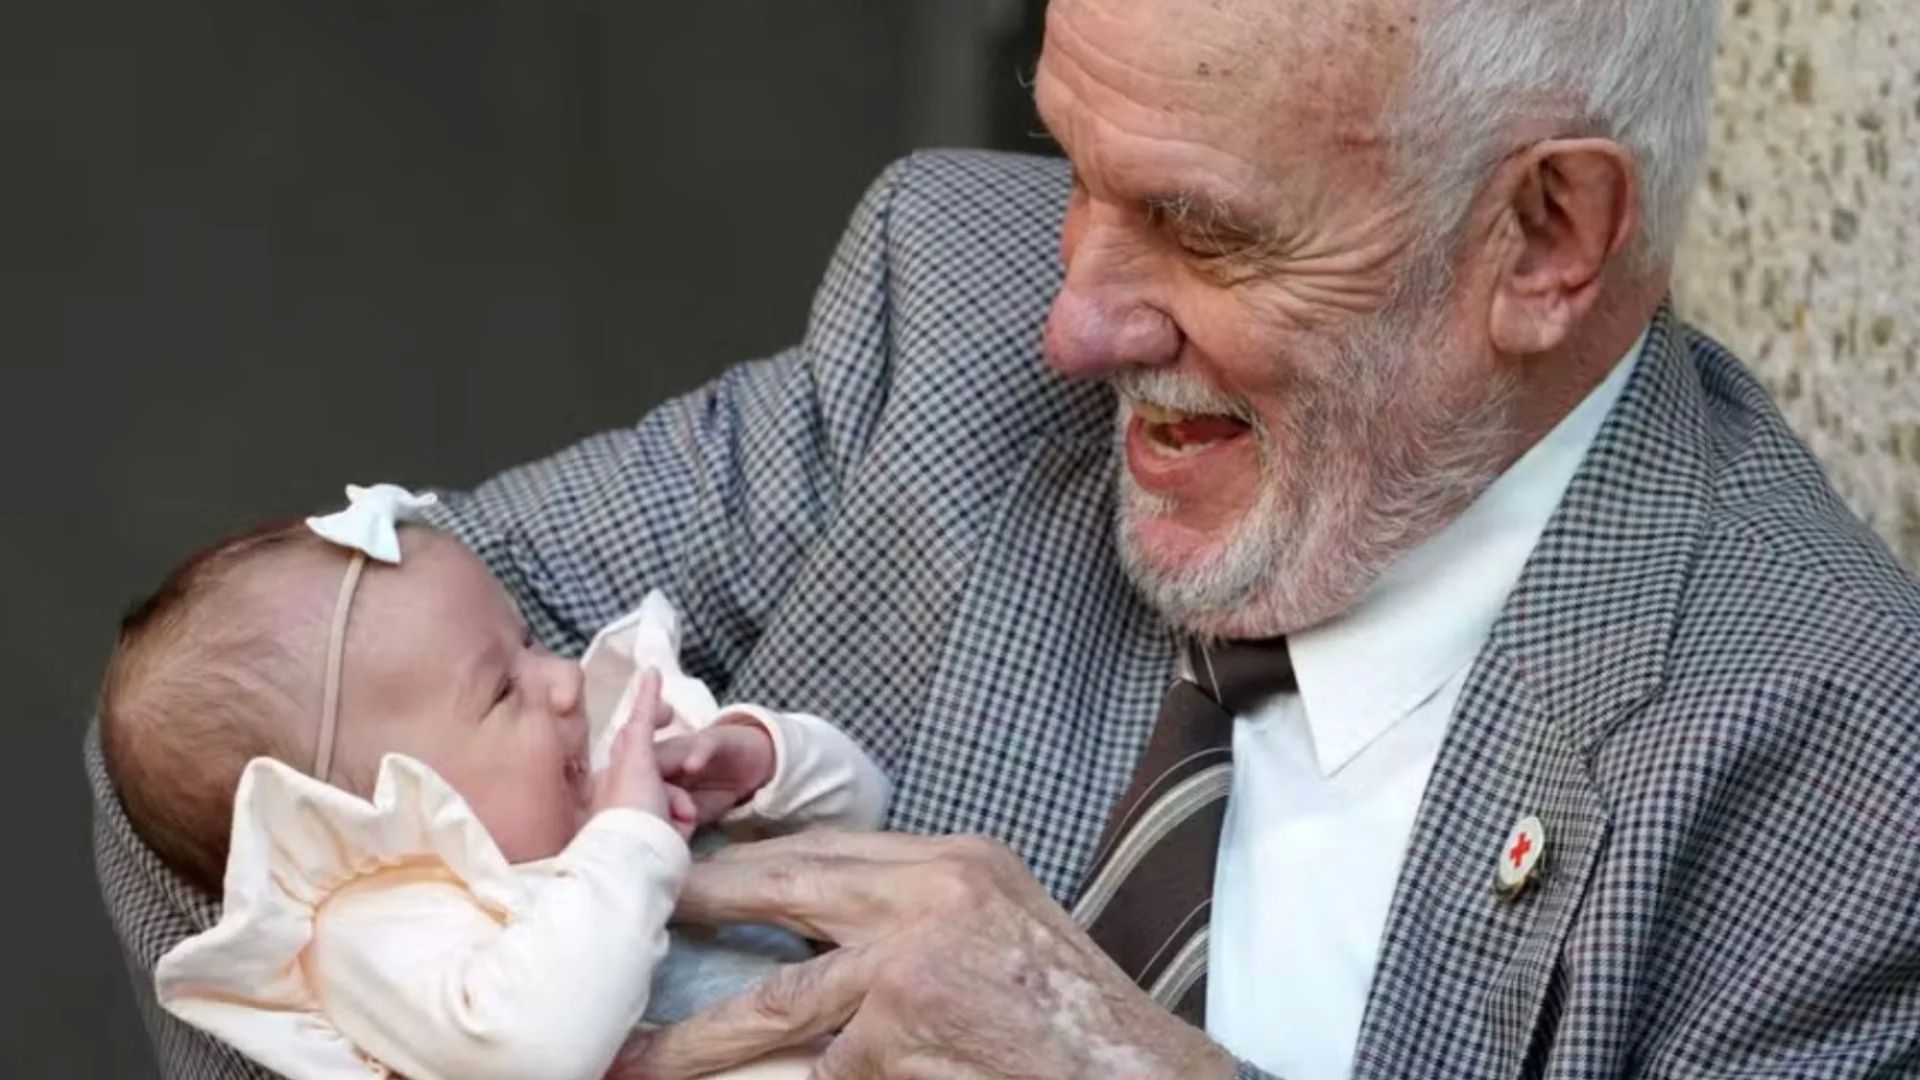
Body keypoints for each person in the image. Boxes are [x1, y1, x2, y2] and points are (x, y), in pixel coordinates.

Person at [90, 0, 1920, 1076]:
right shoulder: (944, 306)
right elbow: (226, 766)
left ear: (1546, 238)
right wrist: (481, 1022)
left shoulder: (1837, 767)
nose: (1072, 323)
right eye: (1075, 170)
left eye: (1201, 225)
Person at [99, 485, 884, 1079]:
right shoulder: (382, 928)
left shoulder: (609, 771)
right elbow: (537, 1050)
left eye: (530, 641)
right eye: (503, 690)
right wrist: (630, 843)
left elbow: (866, 824)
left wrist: (762, 763)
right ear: (356, 820)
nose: (563, 680)